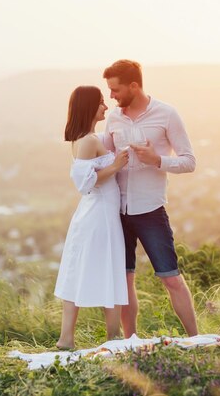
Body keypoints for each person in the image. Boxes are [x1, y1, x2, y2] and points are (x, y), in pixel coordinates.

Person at [103, 59, 199, 338]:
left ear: (134, 85)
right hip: (116, 210)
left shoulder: (167, 114)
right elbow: (105, 159)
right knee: (124, 280)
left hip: (150, 210)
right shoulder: (114, 118)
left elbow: (189, 161)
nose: (112, 97)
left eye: (116, 90)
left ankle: (196, 338)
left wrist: (157, 160)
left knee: (171, 278)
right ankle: (129, 342)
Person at [54, 86, 130, 350]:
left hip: (101, 214)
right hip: (98, 216)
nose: (105, 107)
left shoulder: (90, 138)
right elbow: (85, 182)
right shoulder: (87, 141)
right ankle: (109, 337)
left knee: (87, 270)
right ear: (89, 106)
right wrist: (116, 166)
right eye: (100, 103)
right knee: (104, 268)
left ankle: (76, 338)